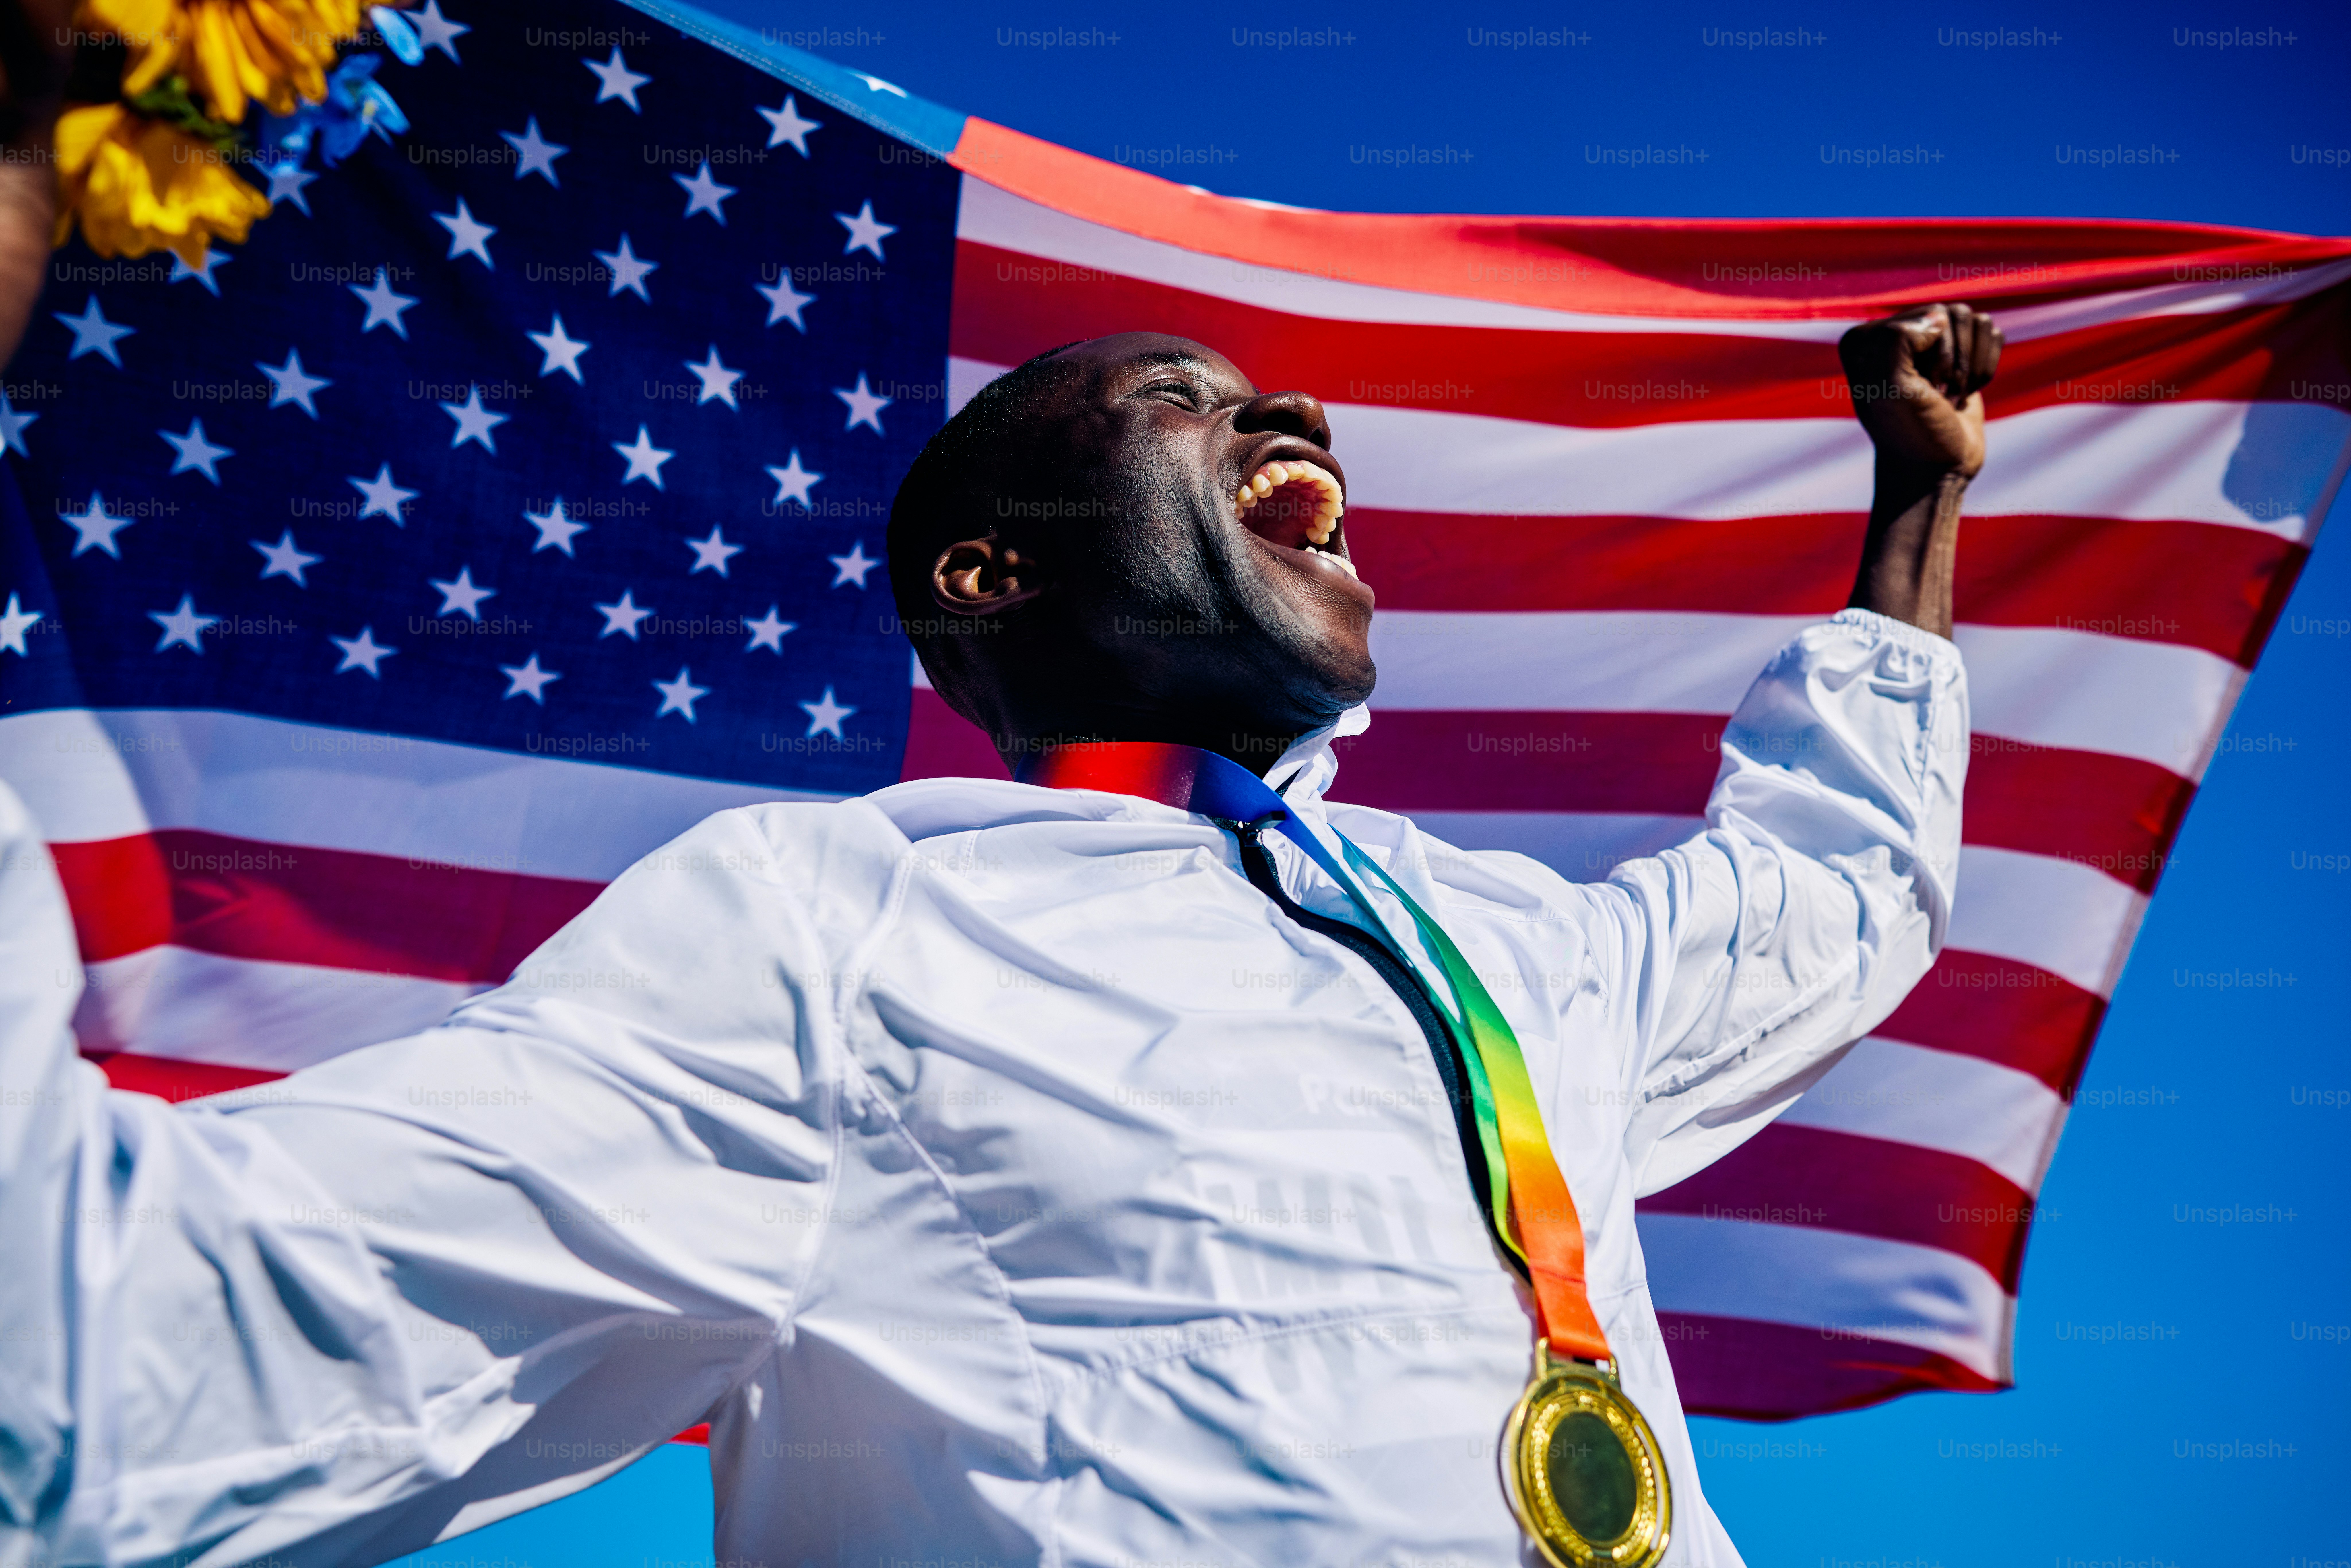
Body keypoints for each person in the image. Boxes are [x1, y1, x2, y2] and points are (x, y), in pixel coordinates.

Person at [0, 306, 1999, 1567]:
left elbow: (1826, 898)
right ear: (986, 571)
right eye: (1178, 404)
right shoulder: (833, 922)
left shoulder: (1504, 939)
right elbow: (172, 1350)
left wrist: (1916, 502)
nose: (1288, 403)